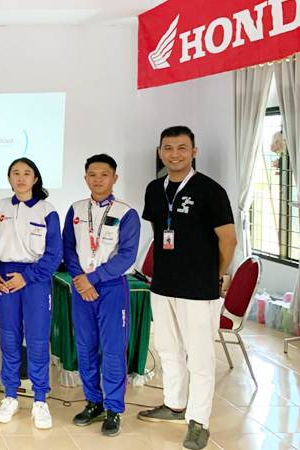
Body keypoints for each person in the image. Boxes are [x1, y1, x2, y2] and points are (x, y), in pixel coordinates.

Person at [138, 126, 236, 450]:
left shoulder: (211, 190)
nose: (174, 154)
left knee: (200, 357)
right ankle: (175, 404)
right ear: (160, 152)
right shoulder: (155, 189)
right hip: (163, 285)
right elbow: (159, 230)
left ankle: (199, 421)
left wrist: (213, 274)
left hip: (198, 289)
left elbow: (228, 240)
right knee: (168, 349)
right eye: (168, 148)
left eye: (182, 148)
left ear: (194, 151)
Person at [62, 154, 140, 437]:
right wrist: (80, 279)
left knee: (113, 350)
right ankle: (93, 402)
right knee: (85, 347)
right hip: (80, 286)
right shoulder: (76, 209)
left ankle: (113, 408)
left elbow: (127, 256)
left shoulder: (126, 213)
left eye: (104, 174)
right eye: (92, 174)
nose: (98, 179)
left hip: (111, 288)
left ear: (114, 178)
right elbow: (68, 248)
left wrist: (92, 279)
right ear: (85, 178)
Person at [0, 157, 61, 429]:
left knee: (37, 339)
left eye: (26, 173)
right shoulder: (0, 207)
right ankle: (10, 395)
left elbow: (54, 253)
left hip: (35, 280)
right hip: (6, 279)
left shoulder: (46, 210)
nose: (20, 178)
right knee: (9, 338)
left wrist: (28, 277)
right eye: (15, 173)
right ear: (9, 178)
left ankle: (40, 400)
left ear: (35, 178)